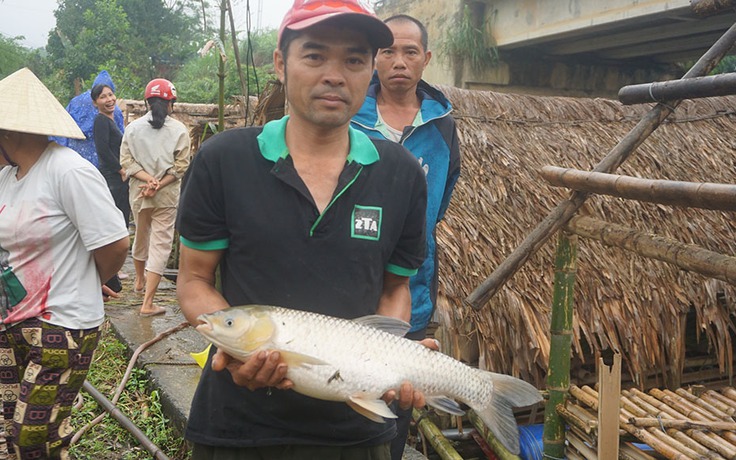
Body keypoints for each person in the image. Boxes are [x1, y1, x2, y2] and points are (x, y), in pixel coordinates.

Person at [175, 0, 430, 458]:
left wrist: (395, 358)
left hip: (356, 433)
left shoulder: (403, 173)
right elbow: (194, 280)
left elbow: (396, 287)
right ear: (280, 63)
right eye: (314, 55)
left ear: (370, 69)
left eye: (353, 60)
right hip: (238, 426)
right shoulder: (223, 160)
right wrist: (238, 352)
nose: (335, 74)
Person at [0, 68, 129, 459]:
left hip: (62, 327)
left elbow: (114, 244)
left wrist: (88, 280)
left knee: (32, 439)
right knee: (10, 434)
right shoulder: (8, 177)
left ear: (9, 132)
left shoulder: (68, 171)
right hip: (12, 322)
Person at [351, 14, 462, 459]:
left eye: (410, 51)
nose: (399, 61)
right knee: (340, 402)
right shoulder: (348, 114)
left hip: (412, 292)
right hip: (346, 290)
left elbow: (440, 201)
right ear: (374, 58)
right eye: (388, 51)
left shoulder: (443, 126)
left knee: (393, 413)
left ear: (426, 59)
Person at [120, 78, 190, 317]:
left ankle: (139, 280)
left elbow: (127, 163)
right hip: (166, 195)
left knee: (141, 235)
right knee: (160, 244)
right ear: (171, 103)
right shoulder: (179, 130)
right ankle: (148, 302)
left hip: (139, 192)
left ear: (147, 101)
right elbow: (181, 166)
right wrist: (159, 183)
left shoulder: (133, 128)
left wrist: (148, 179)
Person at [92, 83, 131, 288]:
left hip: (118, 177)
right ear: (95, 102)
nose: (109, 99)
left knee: (121, 219)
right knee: (115, 221)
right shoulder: (100, 121)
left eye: (111, 95)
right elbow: (103, 151)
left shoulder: (111, 120)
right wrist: (120, 170)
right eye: (103, 97)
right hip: (113, 178)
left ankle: (115, 269)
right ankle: (111, 271)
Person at [55, 70, 126, 168]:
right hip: (101, 160)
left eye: (110, 94)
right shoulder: (113, 109)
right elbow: (120, 136)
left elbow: (63, 127)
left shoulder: (76, 102)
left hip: (75, 154)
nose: (108, 98)